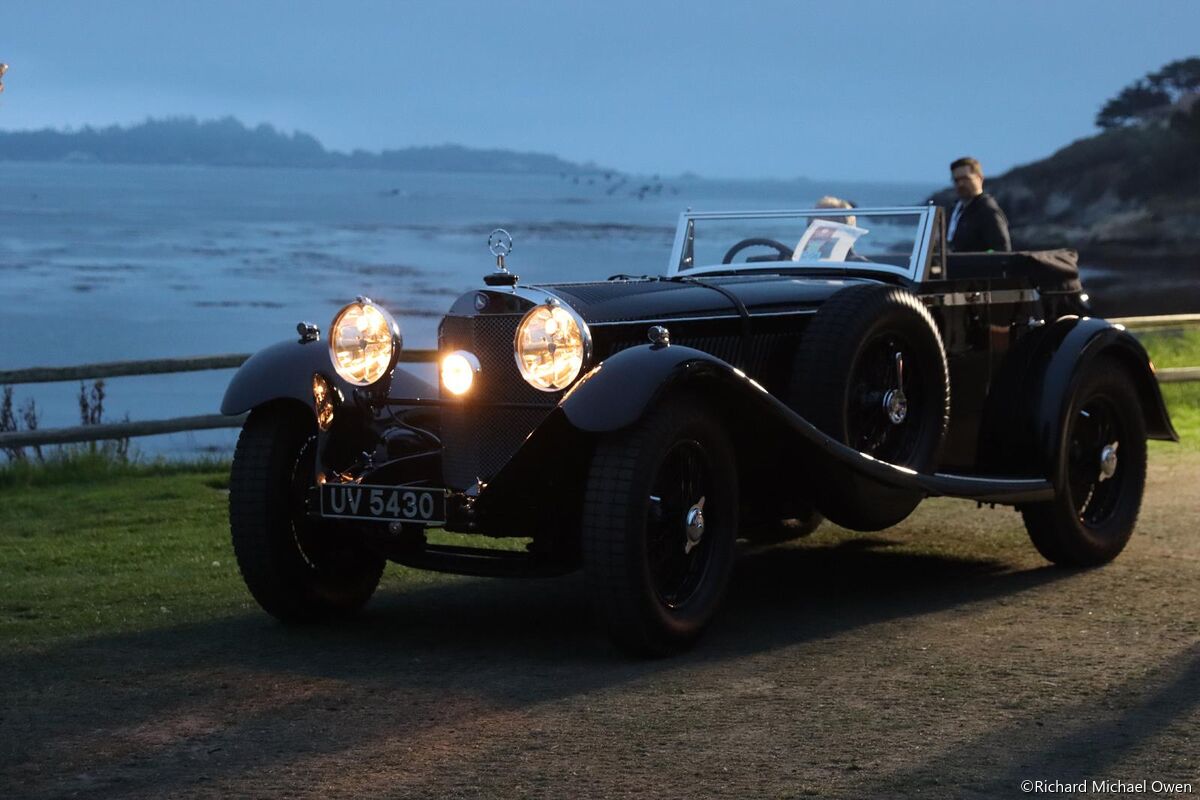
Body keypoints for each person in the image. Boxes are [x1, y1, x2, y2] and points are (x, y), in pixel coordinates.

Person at [947, 157, 1011, 252]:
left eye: (966, 179)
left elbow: (1002, 251)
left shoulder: (987, 210)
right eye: (956, 180)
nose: (960, 184)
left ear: (980, 178)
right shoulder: (956, 208)